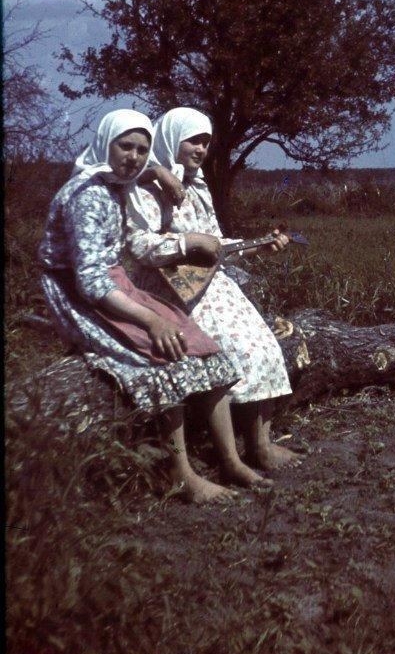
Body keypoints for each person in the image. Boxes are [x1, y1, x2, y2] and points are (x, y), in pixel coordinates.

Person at [39, 109, 271, 502]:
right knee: (162, 355)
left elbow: (138, 171)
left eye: (142, 150)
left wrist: (160, 171)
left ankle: (230, 460)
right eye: (125, 146)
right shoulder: (87, 195)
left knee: (200, 343)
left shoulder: (114, 180)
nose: (133, 157)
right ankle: (180, 473)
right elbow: (90, 282)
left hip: (114, 283)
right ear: (105, 144)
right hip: (80, 293)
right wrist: (150, 320)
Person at [126, 107, 298, 473]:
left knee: (264, 345)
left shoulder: (197, 186)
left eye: (206, 142)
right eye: (193, 140)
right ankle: (229, 454)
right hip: (170, 288)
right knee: (233, 349)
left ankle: (260, 444)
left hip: (210, 283)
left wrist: (258, 245)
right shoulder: (145, 185)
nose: (202, 149)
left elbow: (216, 243)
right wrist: (186, 243)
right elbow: (139, 246)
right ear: (172, 138)